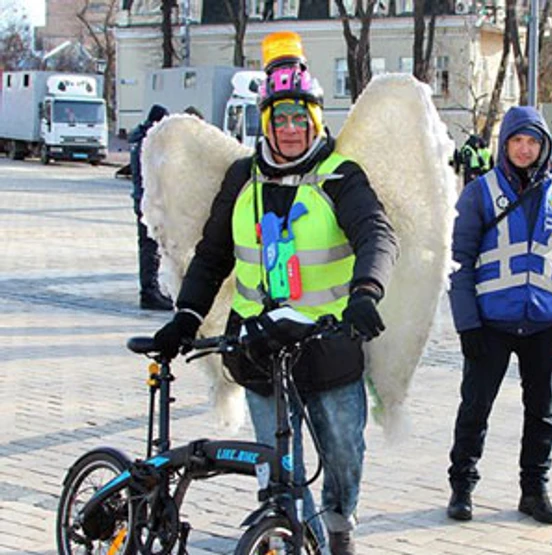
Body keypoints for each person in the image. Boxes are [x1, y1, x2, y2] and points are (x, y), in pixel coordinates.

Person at [151, 31, 398, 555]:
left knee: (343, 454)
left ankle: (338, 524)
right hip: (258, 346)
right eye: (279, 118)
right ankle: (291, 536)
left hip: (326, 343)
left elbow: (376, 233)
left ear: (315, 120)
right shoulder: (243, 177)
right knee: (276, 464)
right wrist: (186, 317)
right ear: (266, 122)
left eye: (299, 118)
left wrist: (367, 292)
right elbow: (213, 255)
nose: (290, 129)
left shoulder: (340, 175)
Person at [445, 105, 552, 525]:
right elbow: (457, 261)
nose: (525, 149)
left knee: (543, 413)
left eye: (533, 141)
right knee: (475, 409)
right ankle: (462, 486)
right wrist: (466, 323)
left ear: (544, 145)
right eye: (517, 140)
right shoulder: (479, 192)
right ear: (505, 145)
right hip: (490, 324)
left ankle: (534, 490)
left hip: (543, 324)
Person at [129, 104, 173, 311]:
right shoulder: (149, 142)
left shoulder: (139, 140)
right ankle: (149, 292)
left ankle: (151, 289)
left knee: (149, 246)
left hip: (143, 200)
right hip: (149, 202)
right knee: (149, 248)